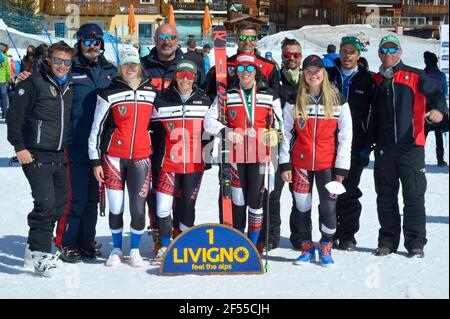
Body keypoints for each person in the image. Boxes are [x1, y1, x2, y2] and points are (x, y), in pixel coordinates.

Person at [372, 35, 447, 258]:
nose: (388, 54)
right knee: (385, 196)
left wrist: (439, 110)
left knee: (413, 196)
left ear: (400, 52)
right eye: (384, 50)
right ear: (379, 54)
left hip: (411, 147)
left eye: (392, 49)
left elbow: (437, 94)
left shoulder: (416, 75)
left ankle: (415, 243)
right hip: (384, 148)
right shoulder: (376, 80)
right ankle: (387, 241)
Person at [6, 41, 75, 277]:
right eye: (57, 60)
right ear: (48, 60)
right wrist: (19, 147)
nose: (62, 66)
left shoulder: (69, 86)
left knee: (60, 203)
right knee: (46, 204)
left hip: (58, 153)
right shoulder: (34, 82)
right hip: (35, 153)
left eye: (66, 62)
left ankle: (32, 246)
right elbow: (14, 117)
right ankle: (42, 255)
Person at [54, 23, 119, 262]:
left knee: (93, 199)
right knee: (76, 197)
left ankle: (86, 241)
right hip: (76, 143)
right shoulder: (70, 68)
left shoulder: (110, 70)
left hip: (101, 146)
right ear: (80, 43)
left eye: (97, 42)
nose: (93, 46)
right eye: (87, 42)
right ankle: (65, 242)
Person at [279, 55, 352, 267]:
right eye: (309, 71)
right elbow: (286, 134)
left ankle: (326, 245)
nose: (313, 75)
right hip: (300, 165)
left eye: (317, 71)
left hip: (328, 165)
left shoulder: (338, 99)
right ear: (303, 74)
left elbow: (345, 136)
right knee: (302, 206)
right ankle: (306, 247)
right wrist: (285, 164)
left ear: (324, 73)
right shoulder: (295, 99)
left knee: (329, 208)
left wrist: (342, 167)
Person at [204, 53, 283, 248]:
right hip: (235, 156)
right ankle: (239, 242)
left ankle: (255, 244)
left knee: (256, 201)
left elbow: (281, 123)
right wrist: (226, 132)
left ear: (256, 71)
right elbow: (208, 121)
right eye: (240, 69)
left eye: (249, 69)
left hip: (261, 156)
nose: (245, 73)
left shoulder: (269, 94)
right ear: (236, 72)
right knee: (238, 201)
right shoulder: (226, 95)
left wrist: (274, 135)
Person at [88, 47, 156, 268]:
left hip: (141, 158)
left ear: (139, 65)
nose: (130, 68)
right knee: (116, 207)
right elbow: (96, 129)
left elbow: (161, 123)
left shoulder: (152, 93)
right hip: (114, 158)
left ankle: (135, 249)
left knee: (138, 208)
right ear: (120, 66)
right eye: (126, 64)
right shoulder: (108, 93)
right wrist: (95, 160)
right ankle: (117, 248)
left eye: (133, 64)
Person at [141, 24, 202, 257]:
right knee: (156, 193)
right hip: (153, 141)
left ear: (178, 39)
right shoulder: (145, 66)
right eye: (162, 37)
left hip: (184, 143)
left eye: (171, 37)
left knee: (184, 195)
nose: (167, 41)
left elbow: (203, 96)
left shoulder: (189, 64)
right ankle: (160, 237)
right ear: (156, 39)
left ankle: (180, 235)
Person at [150, 60, 212, 262]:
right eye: (181, 75)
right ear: (175, 76)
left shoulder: (205, 101)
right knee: (162, 207)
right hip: (168, 164)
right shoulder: (161, 102)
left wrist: (209, 157)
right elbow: (152, 132)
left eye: (190, 75)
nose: (185, 79)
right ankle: (165, 245)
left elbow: (211, 132)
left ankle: (185, 243)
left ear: (195, 78)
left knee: (187, 205)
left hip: (194, 164)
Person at [326, 36, 374, 251]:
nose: (347, 55)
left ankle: (347, 236)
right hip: (327, 142)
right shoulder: (327, 76)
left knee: (349, 191)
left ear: (358, 56)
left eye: (351, 52)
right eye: (344, 51)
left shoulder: (368, 80)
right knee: (328, 190)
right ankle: (328, 232)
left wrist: (368, 143)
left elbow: (376, 114)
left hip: (356, 145)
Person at [259, 37, 303, 252]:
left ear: (300, 57)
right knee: (272, 193)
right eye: (288, 55)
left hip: (303, 144)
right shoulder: (273, 80)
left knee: (301, 193)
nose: (292, 58)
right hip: (277, 143)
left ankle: (300, 235)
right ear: (282, 57)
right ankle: (271, 235)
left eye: (295, 55)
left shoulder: (310, 79)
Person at [203, 22, 279, 101]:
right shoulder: (224, 66)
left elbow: (276, 96)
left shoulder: (268, 66)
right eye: (243, 38)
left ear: (257, 40)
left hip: (259, 110)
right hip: (231, 110)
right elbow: (209, 93)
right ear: (236, 40)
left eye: (252, 38)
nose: (247, 42)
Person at [423, 51, 449, 167]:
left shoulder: (422, 74)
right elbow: (445, 92)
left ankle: (418, 160)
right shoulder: (441, 75)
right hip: (438, 109)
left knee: (421, 136)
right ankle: (440, 160)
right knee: (439, 136)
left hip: (425, 110)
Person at [0, 42, 11, 119]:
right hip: (2, 80)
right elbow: (8, 71)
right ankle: (4, 113)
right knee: (3, 97)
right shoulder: (5, 58)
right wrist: (7, 80)